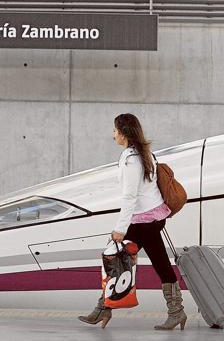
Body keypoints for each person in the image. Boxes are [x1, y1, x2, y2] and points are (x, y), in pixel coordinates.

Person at [78, 113, 187, 330]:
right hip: (153, 217)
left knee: (115, 259)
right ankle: (175, 311)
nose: (113, 135)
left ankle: (104, 309)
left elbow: (130, 196)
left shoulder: (130, 159)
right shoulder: (145, 153)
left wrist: (120, 229)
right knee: (150, 262)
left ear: (124, 133)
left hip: (143, 221)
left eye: (115, 130)